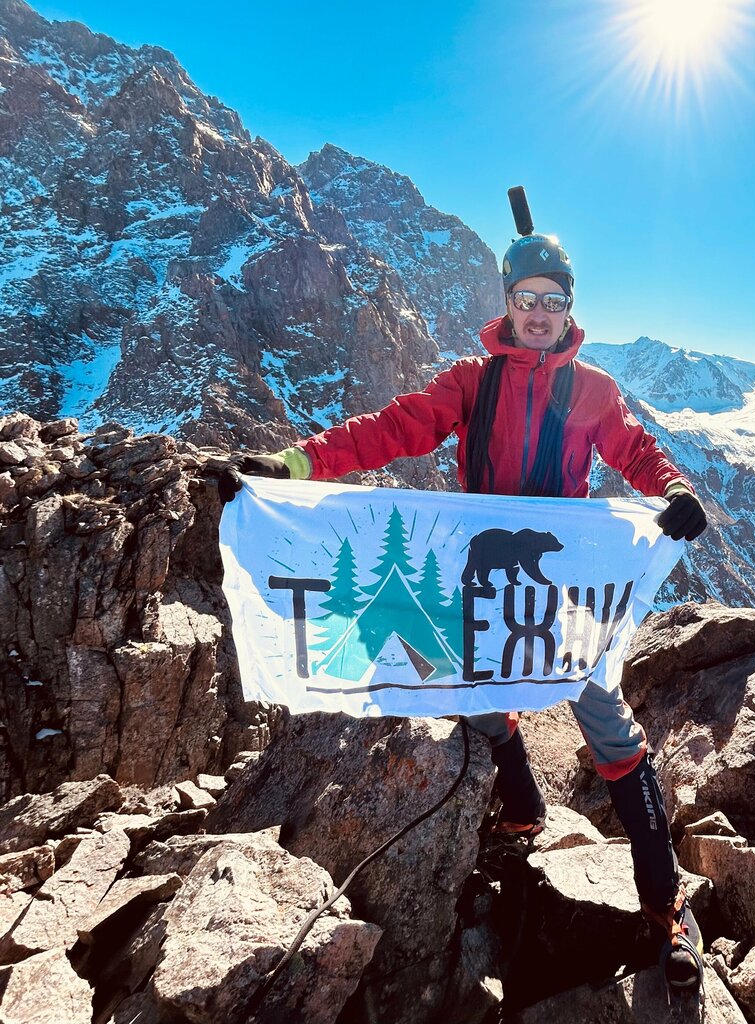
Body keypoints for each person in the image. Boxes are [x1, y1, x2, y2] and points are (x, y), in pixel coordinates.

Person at [220, 226, 708, 996]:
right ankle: (524, 811)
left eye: (553, 300)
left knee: (611, 733)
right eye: (526, 298)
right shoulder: (470, 383)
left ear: (569, 307)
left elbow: (635, 451)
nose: (539, 312)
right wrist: (295, 465)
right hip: (484, 582)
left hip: (561, 591)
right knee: (476, 696)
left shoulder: (592, 391)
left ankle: (666, 909)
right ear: (507, 303)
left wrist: (673, 489)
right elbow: (392, 429)